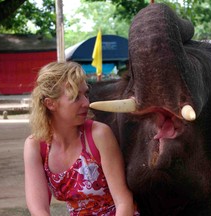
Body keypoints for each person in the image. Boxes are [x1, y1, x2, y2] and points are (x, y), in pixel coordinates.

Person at [24, 61, 138, 216]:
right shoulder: (36, 146)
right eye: (76, 97)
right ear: (50, 104)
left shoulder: (99, 135)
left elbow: (124, 202)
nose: (86, 103)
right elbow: (38, 209)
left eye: (86, 94)